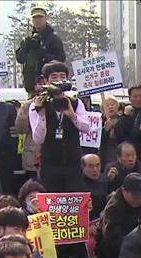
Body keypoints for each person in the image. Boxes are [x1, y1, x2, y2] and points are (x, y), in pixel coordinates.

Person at [30, 61, 91, 192]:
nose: (59, 81)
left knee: (73, 200)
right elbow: (38, 139)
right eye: (54, 77)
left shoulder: (75, 102)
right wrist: (41, 115)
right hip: (49, 164)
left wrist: (72, 115)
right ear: (45, 81)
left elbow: (86, 128)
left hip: (73, 163)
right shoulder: (37, 103)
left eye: (62, 76)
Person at [97, 172, 141, 258]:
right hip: (117, 241)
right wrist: (134, 244)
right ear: (124, 191)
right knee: (107, 242)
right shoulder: (114, 206)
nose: (138, 199)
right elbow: (110, 235)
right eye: (134, 196)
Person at [16, 6, 66, 93]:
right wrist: (25, 48)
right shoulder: (28, 40)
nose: (37, 20)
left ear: (46, 18)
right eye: (34, 18)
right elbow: (20, 59)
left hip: (49, 86)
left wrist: (44, 55)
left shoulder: (53, 39)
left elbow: (61, 58)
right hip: (31, 86)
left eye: (40, 17)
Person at [82, 153, 109, 220]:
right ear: (83, 167)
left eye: (97, 165)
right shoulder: (76, 184)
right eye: (90, 166)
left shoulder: (105, 181)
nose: (95, 169)